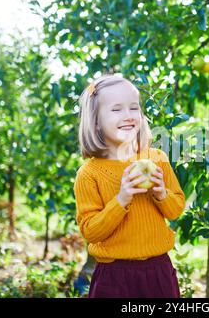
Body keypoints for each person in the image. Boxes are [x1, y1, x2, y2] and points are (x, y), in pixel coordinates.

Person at [73, 74, 186, 298]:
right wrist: (121, 199)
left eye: (133, 108)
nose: (128, 116)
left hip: (158, 271)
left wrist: (161, 193)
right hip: (114, 276)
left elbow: (176, 210)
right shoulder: (89, 173)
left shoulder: (157, 159)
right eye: (116, 110)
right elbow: (91, 231)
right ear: (95, 121)